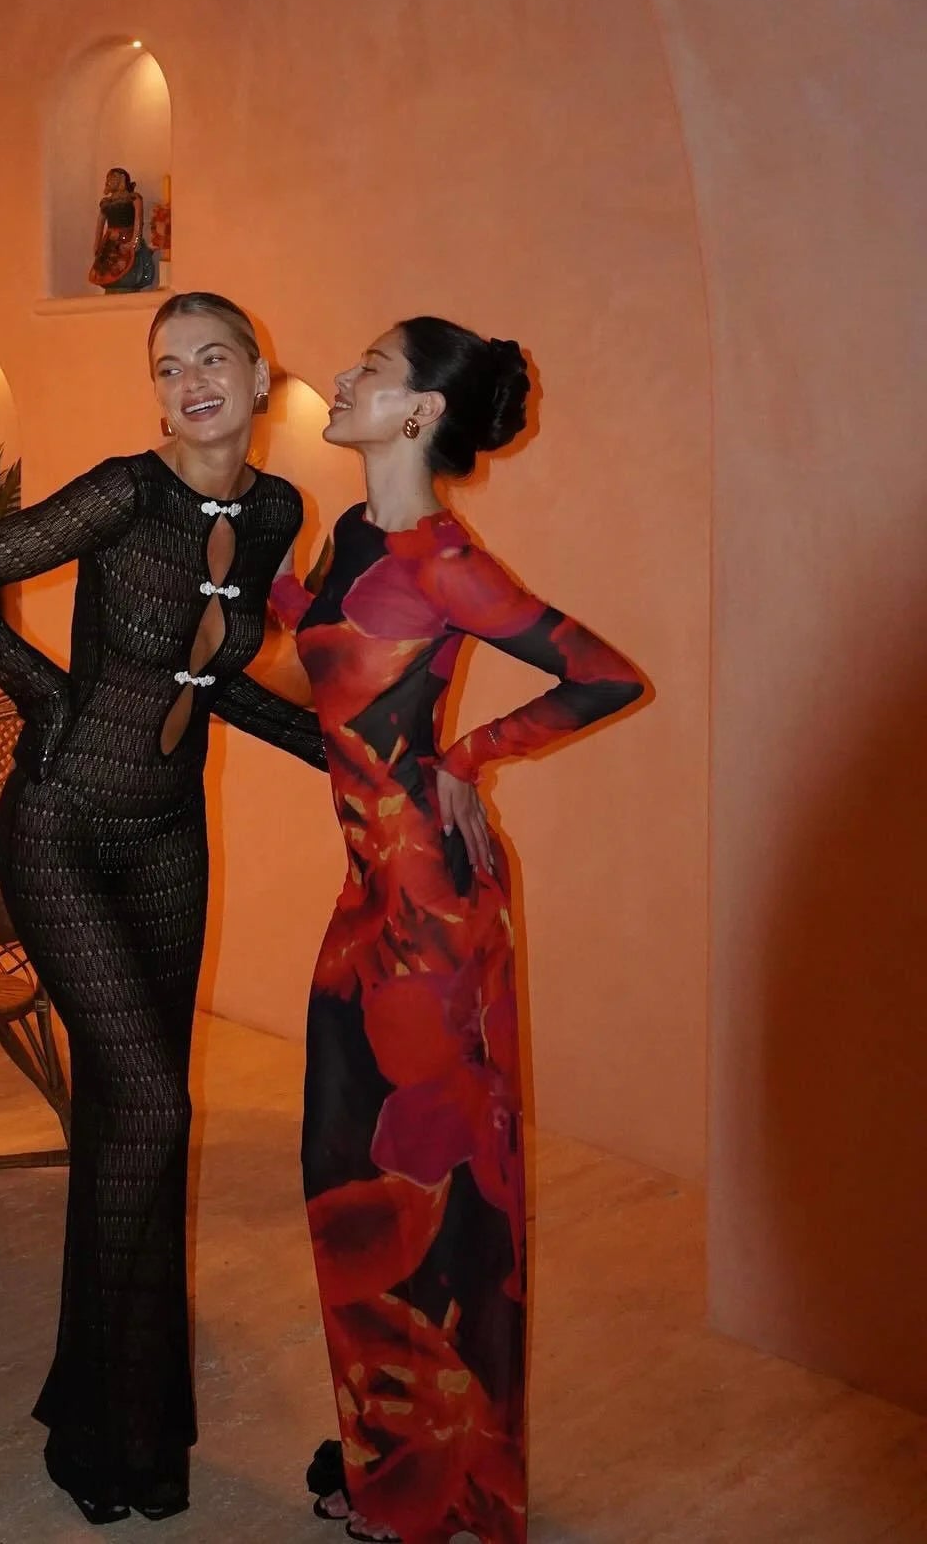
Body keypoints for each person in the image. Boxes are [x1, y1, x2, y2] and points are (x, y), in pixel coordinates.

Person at [0, 291, 326, 1524]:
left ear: (260, 376)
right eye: (170, 364)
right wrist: (45, 695)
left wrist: (341, 752)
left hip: (168, 839)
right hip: (60, 829)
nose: (193, 380)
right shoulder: (122, 493)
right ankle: (104, 1426)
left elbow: (215, 672)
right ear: (156, 394)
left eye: (216, 358)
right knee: (153, 1101)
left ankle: (124, 1428)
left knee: (131, 1125)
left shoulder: (276, 512)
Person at [272, 317, 646, 1544]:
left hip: (433, 913)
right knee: (343, 1177)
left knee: (435, 1206)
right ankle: (400, 1466)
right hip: (365, 900)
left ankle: (439, 1502)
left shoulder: (443, 559)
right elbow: (313, 656)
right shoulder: (351, 536)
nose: (341, 377)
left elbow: (603, 671)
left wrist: (468, 759)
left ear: (421, 413)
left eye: (371, 371)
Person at [88, 167, 157, 292]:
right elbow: (100, 224)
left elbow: (138, 220)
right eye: (108, 178)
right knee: (107, 268)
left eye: (112, 178)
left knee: (128, 267)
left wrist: (135, 241)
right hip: (110, 241)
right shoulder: (106, 202)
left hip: (127, 238)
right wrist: (97, 243)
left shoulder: (134, 198)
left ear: (122, 179)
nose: (109, 181)